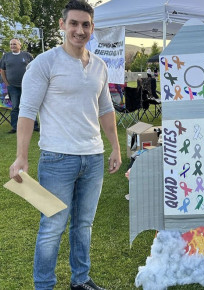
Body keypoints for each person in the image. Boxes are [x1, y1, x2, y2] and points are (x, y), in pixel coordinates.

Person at [9, 1, 122, 289]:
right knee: (52, 227)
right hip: (57, 159)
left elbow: (106, 109)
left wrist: (116, 148)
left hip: (93, 158)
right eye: (74, 23)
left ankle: (80, 280)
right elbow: (26, 111)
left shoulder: (99, 65)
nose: (79, 30)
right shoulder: (43, 63)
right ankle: (44, 285)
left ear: (92, 28)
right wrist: (21, 156)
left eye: (85, 24)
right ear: (62, 26)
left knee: (83, 226)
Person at [1, 38, 39, 133]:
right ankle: (15, 127)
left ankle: (34, 126)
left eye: (14, 44)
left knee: (29, 106)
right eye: (11, 44)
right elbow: (2, 71)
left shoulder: (27, 55)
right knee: (15, 107)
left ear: (20, 45)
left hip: (27, 86)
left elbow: (34, 68)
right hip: (12, 87)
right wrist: (7, 83)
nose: (12, 46)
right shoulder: (6, 56)